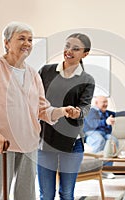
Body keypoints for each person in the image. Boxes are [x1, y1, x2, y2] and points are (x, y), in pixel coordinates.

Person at [0, 22, 75, 200]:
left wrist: (62, 111)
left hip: (28, 143)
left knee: (26, 195)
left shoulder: (33, 74)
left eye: (30, 40)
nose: (27, 43)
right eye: (21, 38)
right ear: (7, 42)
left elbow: (43, 109)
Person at [37, 33, 95, 200]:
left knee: (67, 193)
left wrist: (78, 112)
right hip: (46, 140)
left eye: (75, 49)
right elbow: (35, 100)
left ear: (85, 54)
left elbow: (85, 106)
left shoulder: (86, 79)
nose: (69, 51)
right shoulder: (46, 71)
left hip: (72, 143)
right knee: (46, 195)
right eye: (67, 46)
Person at [83, 95, 125, 179]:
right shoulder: (91, 111)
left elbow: (116, 114)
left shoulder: (106, 112)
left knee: (113, 140)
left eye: (106, 102)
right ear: (96, 103)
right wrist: (106, 122)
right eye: (103, 102)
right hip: (92, 133)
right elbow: (92, 124)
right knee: (100, 140)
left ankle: (107, 170)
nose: (105, 104)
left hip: (104, 133)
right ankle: (94, 169)